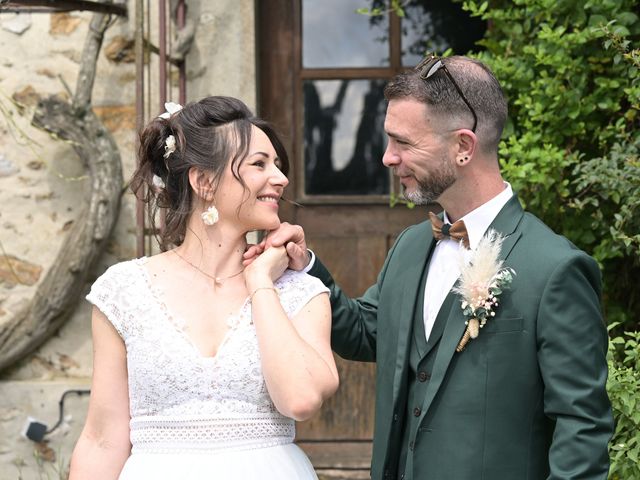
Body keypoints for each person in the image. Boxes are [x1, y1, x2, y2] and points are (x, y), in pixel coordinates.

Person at [246, 56, 614, 479]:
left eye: (403, 143)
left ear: (462, 147)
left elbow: (583, 429)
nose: (387, 157)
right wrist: (305, 266)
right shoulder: (411, 245)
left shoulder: (555, 269)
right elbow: (368, 332)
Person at [69, 96, 339, 480]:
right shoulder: (123, 291)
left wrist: (260, 282)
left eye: (277, 165)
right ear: (204, 182)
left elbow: (300, 399)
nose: (281, 179)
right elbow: (102, 440)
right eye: (259, 164)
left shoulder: (301, 292)